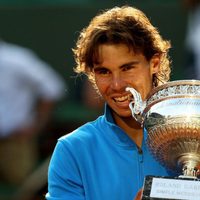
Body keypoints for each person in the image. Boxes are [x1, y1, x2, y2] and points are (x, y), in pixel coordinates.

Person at [46, 6, 175, 200]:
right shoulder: (72, 150)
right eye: (104, 72)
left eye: (127, 68)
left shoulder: (191, 138)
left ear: (154, 63)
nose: (117, 85)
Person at [0, 40, 66, 188]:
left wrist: (36, 125)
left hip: (14, 142)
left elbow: (53, 88)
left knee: (22, 190)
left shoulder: (16, 59)